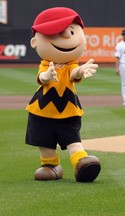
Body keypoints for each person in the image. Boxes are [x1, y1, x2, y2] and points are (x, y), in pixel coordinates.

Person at [25, 7, 101, 182]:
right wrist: (47, 76)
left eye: (72, 31)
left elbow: (73, 73)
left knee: (72, 138)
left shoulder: (70, 65)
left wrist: (80, 71)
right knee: (44, 141)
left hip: (67, 109)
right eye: (55, 34)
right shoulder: (46, 64)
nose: (67, 36)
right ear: (35, 42)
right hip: (42, 110)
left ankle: (81, 162)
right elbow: (42, 77)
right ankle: (50, 165)